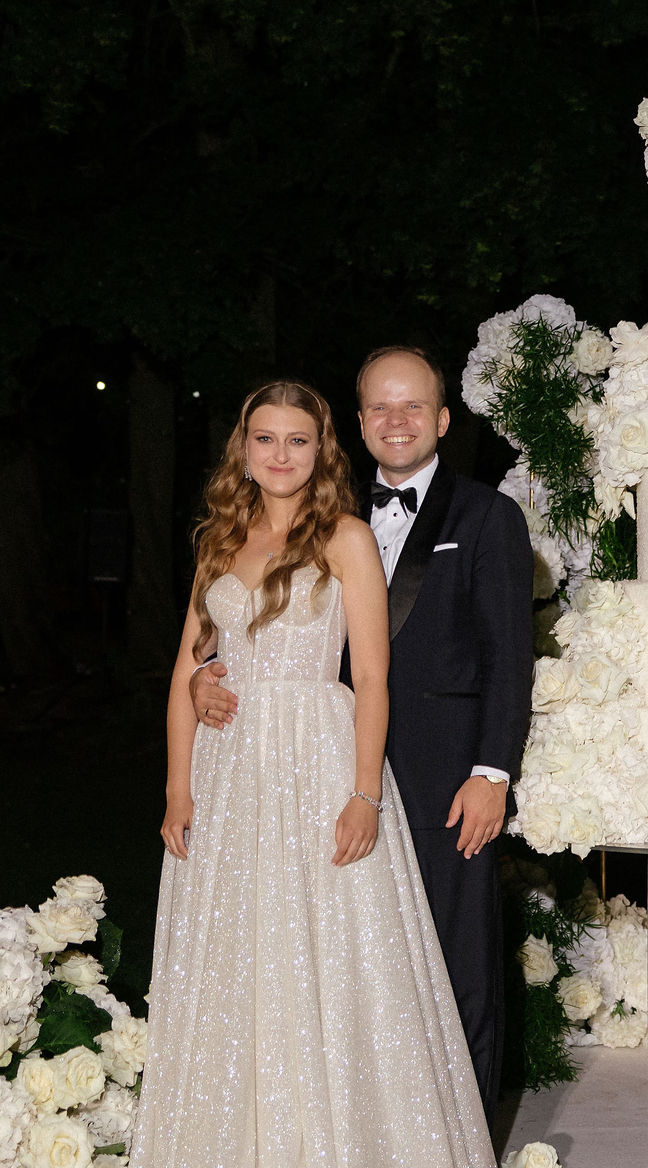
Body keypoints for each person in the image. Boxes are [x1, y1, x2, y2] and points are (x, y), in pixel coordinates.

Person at [113, 380, 505, 1168]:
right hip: (230, 772)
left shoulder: (345, 536)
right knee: (234, 972)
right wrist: (177, 783)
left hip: (318, 763)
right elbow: (188, 669)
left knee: (333, 972)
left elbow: (371, 677)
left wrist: (364, 791)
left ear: (321, 448)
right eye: (264, 438)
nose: (280, 455)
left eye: (297, 440)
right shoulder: (218, 536)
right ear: (242, 447)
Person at [190, 348, 533, 1125]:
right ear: (358, 422)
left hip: (445, 777)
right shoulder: (317, 514)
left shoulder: (485, 516)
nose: (397, 421)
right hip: (321, 772)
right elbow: (265, 627)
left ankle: (467, 1144)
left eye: (414, 406)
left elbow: (511, 658)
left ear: (443, 420)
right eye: (381, 406)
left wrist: (492, 772)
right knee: (346, 968)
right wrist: (203, 676)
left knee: (452, 962)